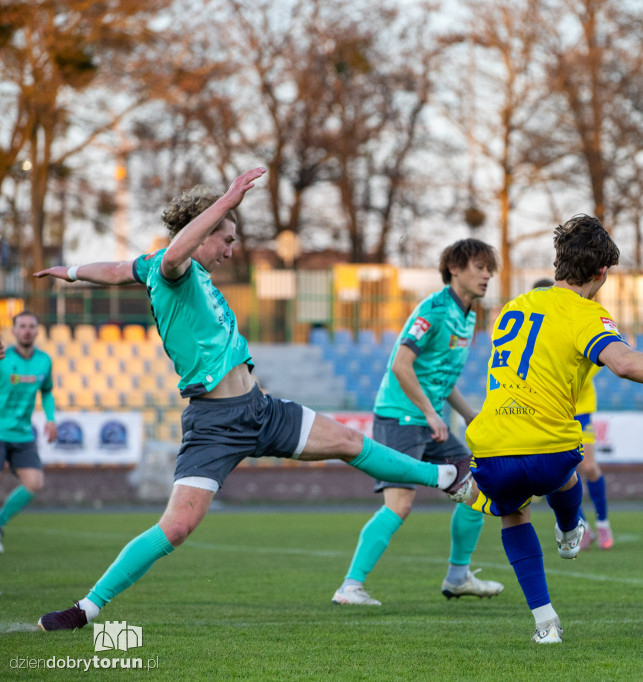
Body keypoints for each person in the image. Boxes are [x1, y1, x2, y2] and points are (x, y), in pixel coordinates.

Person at [32, 167, 472, 631]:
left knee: (347, 441)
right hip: (214, 425)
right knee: (176, 528)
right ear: (202, 232)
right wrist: (226, 200)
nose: (232, 248)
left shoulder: (180, 271)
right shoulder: (174, 271)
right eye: (226, 238)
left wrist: (74, 272)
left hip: (260, 410)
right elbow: (171, 253)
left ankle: (444, 477)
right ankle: (87, 608)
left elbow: (120, 270)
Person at [464, 215, 643, 643]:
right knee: (566, 471)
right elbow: (626, 363)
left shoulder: (514, 306)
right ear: (602, 273)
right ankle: (571, 528)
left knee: (514, 513)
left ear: (558, 262)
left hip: (491, 445)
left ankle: (545, 624)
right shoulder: (587, 313)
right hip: (550, 449)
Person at [333, 239, 503, 606]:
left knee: (477, 491)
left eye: (490, 268)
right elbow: (400, 364)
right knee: (400, 504)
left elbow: (441, 376)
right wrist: (430, 411)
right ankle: (350, 586)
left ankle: (458, 578)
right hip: (400, 417)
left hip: (429, 419)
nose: (488, 274)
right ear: (454, 269)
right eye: (479, 266)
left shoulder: (469, 314)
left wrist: (469, 414)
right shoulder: (434, 309)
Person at [533, 278, 612, 550]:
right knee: (559, 470)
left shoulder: (574, 323)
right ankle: (581, 525)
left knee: (587, 466)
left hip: (580, 408)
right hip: (550, 408)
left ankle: (603, 522)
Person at [0, 311, 59, 553]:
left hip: (23, 434)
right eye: (22, 326)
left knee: (35, 483)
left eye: (31, 326)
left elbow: (46, 391)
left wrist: (51, 419)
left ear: (37, 331)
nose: (26, 330)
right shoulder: (2, 358)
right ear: (13, 331)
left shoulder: (44, 361)